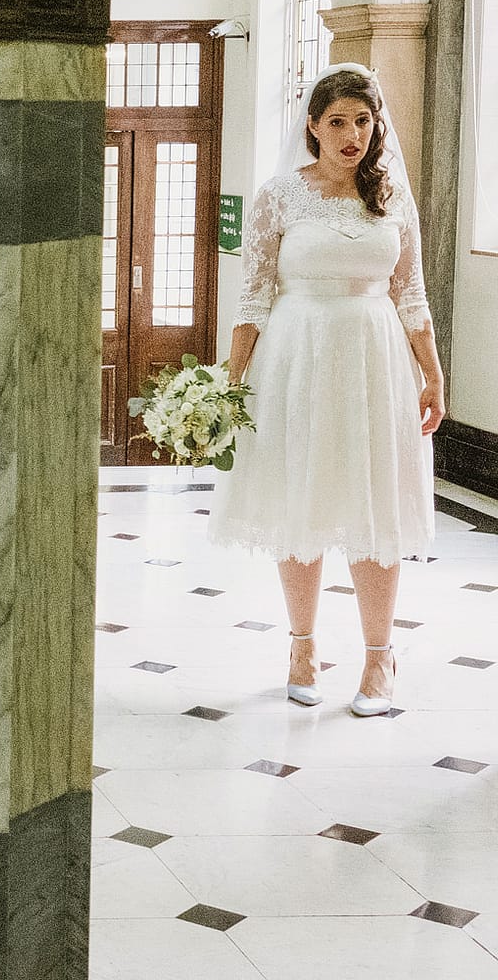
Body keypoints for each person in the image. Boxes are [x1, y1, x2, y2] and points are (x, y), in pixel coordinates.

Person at [210, 64, 443, 716]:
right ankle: (303, 647)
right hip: (295, 358)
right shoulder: (279, 196)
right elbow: (254, 297)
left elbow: (411, 295)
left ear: (376, 127)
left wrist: (433, 374)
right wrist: (231, 390)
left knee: (377, 504)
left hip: (374, 360)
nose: (351, 135)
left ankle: (378, 659)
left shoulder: (393, 198)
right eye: (337, 121)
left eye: (362, 122)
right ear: (312, 126)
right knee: (300, 499)